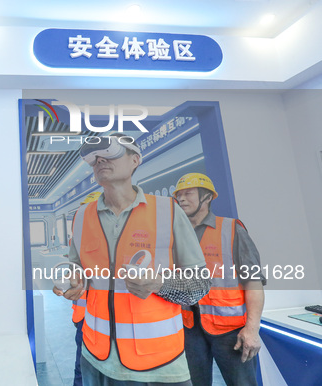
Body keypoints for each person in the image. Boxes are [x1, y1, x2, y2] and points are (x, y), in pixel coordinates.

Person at [56, 134, 210, 385]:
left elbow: (200, 285)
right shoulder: (83, 216)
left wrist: (160, 285)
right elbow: (78, 268)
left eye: (111, 153)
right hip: (95, 356)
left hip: (159, 363)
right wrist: (75, 280)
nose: (99, 161)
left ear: (135, 160)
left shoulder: (168, 212)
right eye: (94, 158)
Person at [173, 173, 265, 386]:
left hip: (230, 331)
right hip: (189, 328)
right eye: (179, 195)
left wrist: (251, 330)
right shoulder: (175, 235)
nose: (182, 199)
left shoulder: (232, 229)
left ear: (207, 198)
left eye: (188, 193)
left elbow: (253, 282)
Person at [53, 191, 102, 386]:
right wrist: (62, 284)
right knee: (82, 369)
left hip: (108, 321)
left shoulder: (116, 247)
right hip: (84, 320)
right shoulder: (81, 245)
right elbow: (76, 273)